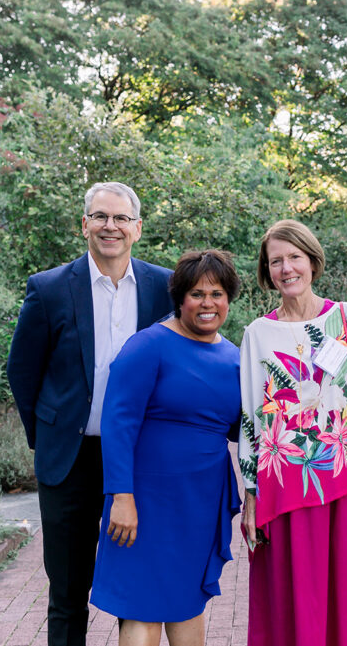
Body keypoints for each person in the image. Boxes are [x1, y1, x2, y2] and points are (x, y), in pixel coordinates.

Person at [6, 182, 174, 646]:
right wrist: (47, 435)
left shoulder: (164, 287)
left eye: (121, 218)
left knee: (132, 588)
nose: (110, 226)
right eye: (100, 216)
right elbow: (22, 371)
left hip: (140, 460)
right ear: (85, 225)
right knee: (67, 591)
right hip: (69, 459)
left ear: (137, 229)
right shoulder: (50, 288)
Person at [238, 219, 347, 646]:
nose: (286, 268)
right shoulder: (257, 334)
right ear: (266, 271)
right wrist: (251, 497)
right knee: (294, 603)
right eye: (276, 261)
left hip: (345, 482)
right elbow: (252, 419)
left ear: (312, 261)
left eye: (294, 257)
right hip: (284, 487)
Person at [90, 249, 243, 646]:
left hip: (199, 501)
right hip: (143, 501)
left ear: (229, 299)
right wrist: (121, 496)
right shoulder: (149, 345)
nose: (207, 303)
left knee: (186, 602)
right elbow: (118, 423)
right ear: (180, 298)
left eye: (217, 293)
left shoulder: (234, 357)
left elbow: (240, 429)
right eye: (197, 293)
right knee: (142, 605)